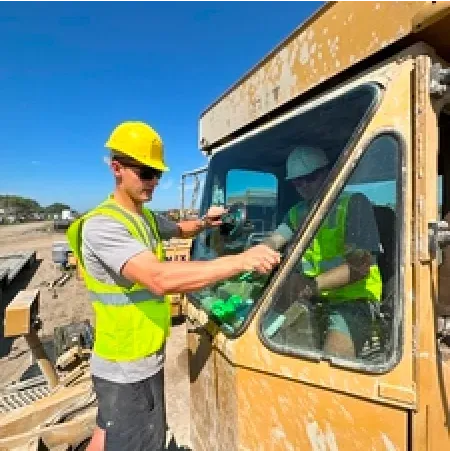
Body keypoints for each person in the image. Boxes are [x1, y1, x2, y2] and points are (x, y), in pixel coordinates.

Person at [67, 121, 280, 451]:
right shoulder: (103, 225)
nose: (153, 182)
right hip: (125, 365)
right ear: (117, 168)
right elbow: (159, 278)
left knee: (109, 431)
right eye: (146, 172)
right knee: (135, 441)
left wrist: (206, 223)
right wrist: (242, 260)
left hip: (143, 356)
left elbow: (180, 229)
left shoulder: (145, 217)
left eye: (158, 174)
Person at [264, 145, 383, 358]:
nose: (303, 185)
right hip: (314, 296)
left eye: (310, 177)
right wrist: (250, 257)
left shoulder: (354, 203)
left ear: (329, 173)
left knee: (332, 361)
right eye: (297, 181)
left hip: (354, 299)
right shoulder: (297, 213)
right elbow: (274, 240)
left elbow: (361, 267)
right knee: (269, 335)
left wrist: (310, 287)